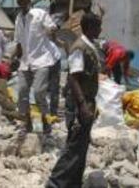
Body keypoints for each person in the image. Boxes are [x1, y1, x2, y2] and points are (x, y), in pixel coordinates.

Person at [47, 13, 102, 188]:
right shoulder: (80, 47)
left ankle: (72, 183)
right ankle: (55, 183)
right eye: (98, 26)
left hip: (87, 101)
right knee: (74, 146)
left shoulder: (89, 45)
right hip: (80, 103)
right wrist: (83, 106)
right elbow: (73, 77)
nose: (100, 30)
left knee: (81, 146)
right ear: (89, 28)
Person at [13, 0, 61, 135]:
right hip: (25, 62)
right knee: (22, 92)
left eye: (25, 0)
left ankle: (46, 121)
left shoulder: (39, 14)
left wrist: (53, 30)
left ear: (29, 1)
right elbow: (18, 42)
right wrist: (14, 58)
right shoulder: (18, 19)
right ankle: (27, 122)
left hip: (41, 60)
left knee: (39, 91)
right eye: (20, 1)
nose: (23, 3)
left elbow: (51, 27)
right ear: (18, 3)